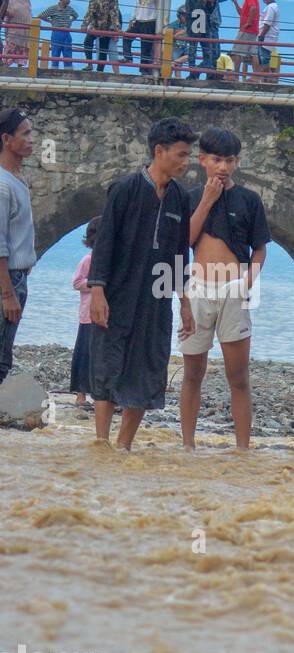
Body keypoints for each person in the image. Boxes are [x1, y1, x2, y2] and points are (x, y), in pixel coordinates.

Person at [86, 118, 195, 450]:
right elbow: (104, 243)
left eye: (188, 154)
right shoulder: (124, 189)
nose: (186, 162)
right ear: (159, 151)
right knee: (108, 363)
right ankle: (101, 443)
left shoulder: (180, 198)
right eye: (181, 154)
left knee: (148, 366)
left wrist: (185, 302)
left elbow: (180, 253)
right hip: (118, 292)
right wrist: (97, 291)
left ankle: (124, 446)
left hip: (156, 299)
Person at [180, 128, 268, 451]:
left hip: (234, 287)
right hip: (199, 286)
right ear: (202, 159)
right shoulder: (189, 197)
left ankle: (243, 447)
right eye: (216, 159)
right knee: (192, 372)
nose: (223, 167)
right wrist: (207, 200)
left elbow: (260, 248)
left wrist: (248, 281)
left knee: (239, 375)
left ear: (237, 162)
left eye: (230, 160)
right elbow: (184, 242)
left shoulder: (249, 200)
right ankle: (188, 444)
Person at [0, 108, 35, 388]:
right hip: (8, 279)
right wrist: (7, 293)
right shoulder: (3, 184)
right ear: (6, 139)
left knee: (4, 356)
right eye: (25, 134)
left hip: (18, 278)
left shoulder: (18, 180)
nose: (32, 139)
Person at [70, 217, 100, 409]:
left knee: (100, 356)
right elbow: (77, 283)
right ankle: (80, 393)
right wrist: (96, 285)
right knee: (84, 354)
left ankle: (100, 394)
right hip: (88, 315)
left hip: (105, 315)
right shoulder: (88, 260)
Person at [37, 0, 78, 70]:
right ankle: (54, 70)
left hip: (66, 33)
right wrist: (51, 22)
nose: (69, 1)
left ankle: (68, 70)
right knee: (55, 52)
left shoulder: (69, 9)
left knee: (67, 52)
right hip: (57, 33)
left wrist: (70, 21)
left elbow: (76, 15)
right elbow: (41, 15)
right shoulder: (53, 8)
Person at [229, 0, 258, 82]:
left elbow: (253, 8)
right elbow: (242, 13)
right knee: (253, 54)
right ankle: (256, 77)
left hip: (246, 30)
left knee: (236, 52)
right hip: (253, 30)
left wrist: (248, 22)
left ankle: (235, 75)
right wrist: (235, 3)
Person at [176, 0, 206, 78]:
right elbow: (191, 15)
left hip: (204, 30)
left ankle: (196, 71)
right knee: (192, 53)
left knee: (209, 53)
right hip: (194, 30)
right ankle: (192, 72)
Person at [2, 0, 30, 68]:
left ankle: (20, 68)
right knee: (10, 49)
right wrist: (9, 13)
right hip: (13, 30)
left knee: (23, 51)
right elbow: (5, 10)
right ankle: (4, 68)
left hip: (25, 32)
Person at [256, 0, 278, 84]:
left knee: (264, 59)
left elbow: (267, 24)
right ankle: (268, 79)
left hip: (267, 38)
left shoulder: (271, 7)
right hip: (267, 37)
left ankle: (263, 80)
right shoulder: (271, 7)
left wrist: (261, 36)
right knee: (263, 59)